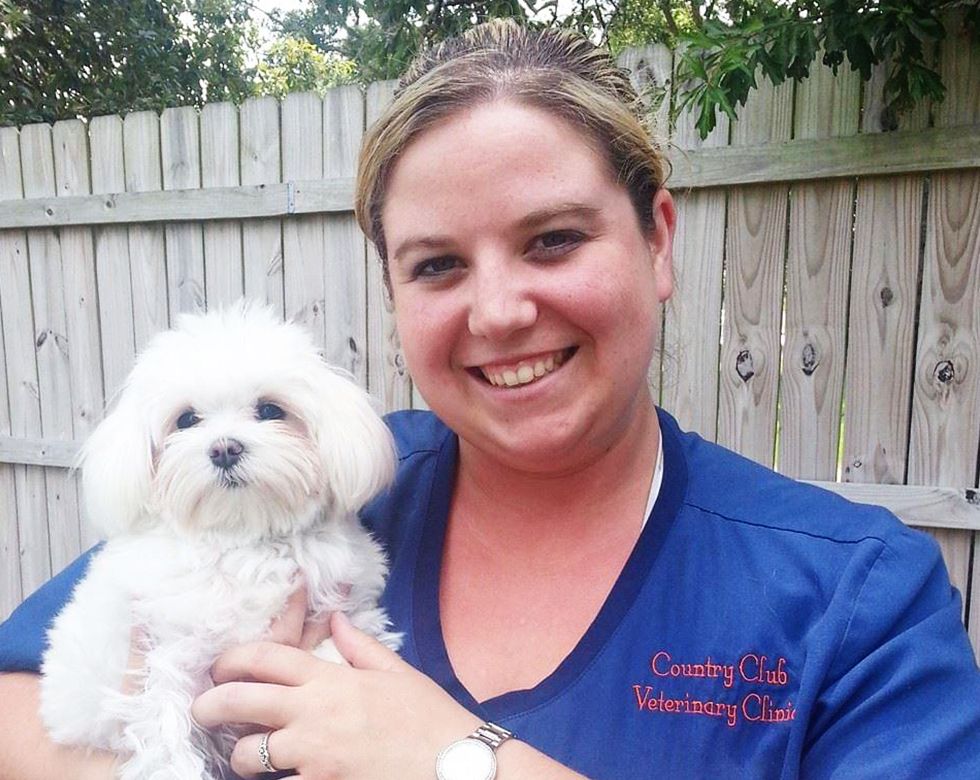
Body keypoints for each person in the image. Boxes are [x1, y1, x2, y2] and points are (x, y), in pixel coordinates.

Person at [1, 18, 979, 779]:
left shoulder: (853, 599)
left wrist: (453, 758)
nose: (501, 311)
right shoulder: (303, 496)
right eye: (436, 265)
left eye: (552, 239)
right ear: (392, 297)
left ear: (657, 242)